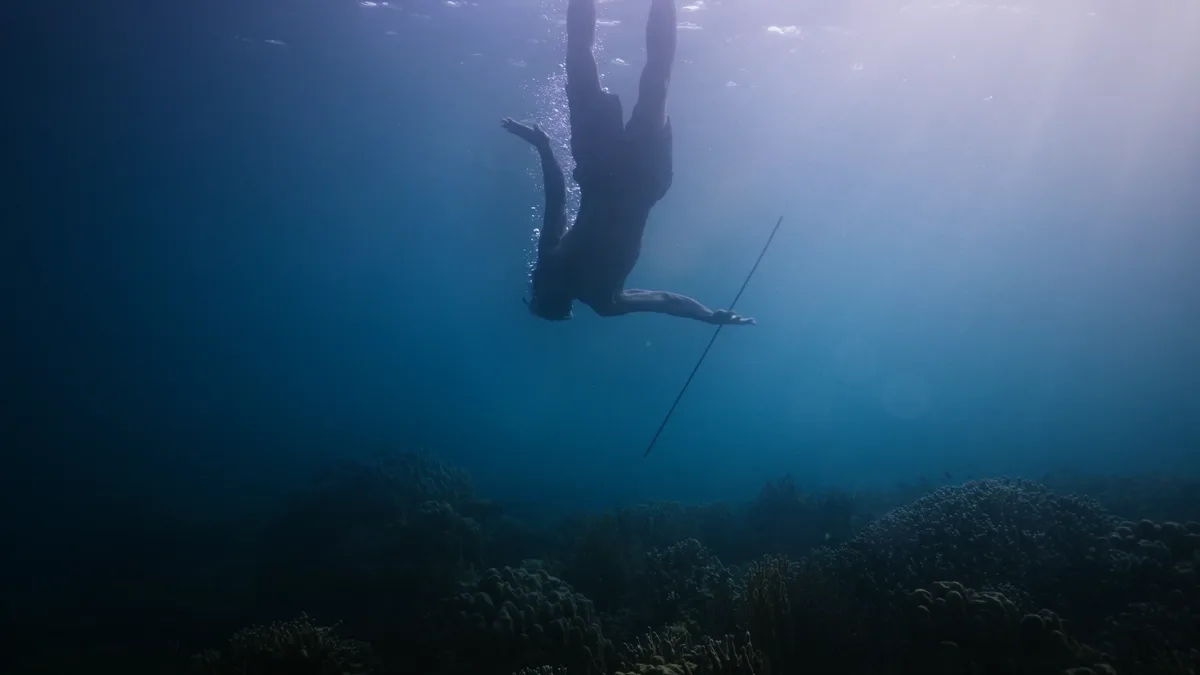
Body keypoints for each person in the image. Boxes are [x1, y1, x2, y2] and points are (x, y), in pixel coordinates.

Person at [501, 0, 755, 326]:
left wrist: (544, 147)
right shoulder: (599, 296)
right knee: (627, 72)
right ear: (545, 296)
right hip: (626, 176)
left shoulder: (575, 279)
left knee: (646, 78)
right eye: (536, 294)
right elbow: (667, 301)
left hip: (614, 174)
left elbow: (557, 199)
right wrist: (707, 315)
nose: (533, 283)